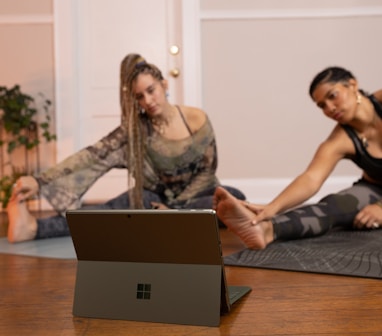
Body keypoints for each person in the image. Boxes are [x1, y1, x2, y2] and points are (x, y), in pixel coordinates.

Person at [7, 53, 246, 243]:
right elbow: (90, 157)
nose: (148, 101)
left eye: (151, 90)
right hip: (154, 201)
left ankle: (173, 220)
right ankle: (33, 228)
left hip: (197, 196)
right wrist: (40, 181)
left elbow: (207, 171)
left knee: (234, 197)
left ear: (163, 84)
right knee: (111, 212)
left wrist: (173, 210)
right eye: (140, 97)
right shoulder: (135, 131)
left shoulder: (195, 118)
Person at [214, 66, 382, 250]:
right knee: (332, 206)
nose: (330, 108)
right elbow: (311, 179)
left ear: (352, 84)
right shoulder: (338, 141)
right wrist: (271, 209)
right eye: (322, 105)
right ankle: (268, 230)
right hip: (375, 187)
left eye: (332, 96)